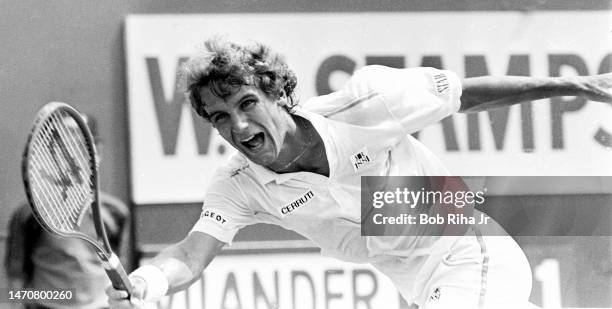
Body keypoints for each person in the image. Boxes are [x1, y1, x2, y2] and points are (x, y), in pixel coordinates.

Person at [106, 37, 612, 308]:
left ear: (279, 94)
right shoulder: (238, 185)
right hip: (416, 286)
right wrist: (149, 281)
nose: (238, 125)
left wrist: (582, 86)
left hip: (471, 251)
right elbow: (192, 254)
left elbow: (466, 92)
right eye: (219, 117)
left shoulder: (367, 105)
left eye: (246, 103)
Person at [5, 116, 131, 309]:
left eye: (79, 144)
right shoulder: (27, 214)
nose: (70, 153)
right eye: (62, 145)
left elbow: (121, 268)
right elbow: (16, 277)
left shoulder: (116, 212)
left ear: (97, 151)